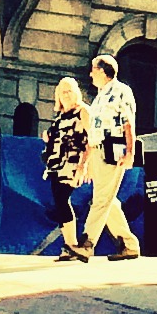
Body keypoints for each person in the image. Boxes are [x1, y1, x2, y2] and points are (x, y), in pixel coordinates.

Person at [83, 52, 140, 260]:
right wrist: (88, 161)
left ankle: (87, 244)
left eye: (93, 70)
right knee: (107, 200)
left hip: (112, 151)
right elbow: (94, 131)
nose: (90, 74)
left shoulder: (121, 91)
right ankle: (129, 245)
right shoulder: (100, 96)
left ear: (101, 71)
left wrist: (130, 152)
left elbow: (128, 123)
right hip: (99, 151)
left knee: (100, 200)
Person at [40, 76, 91, 260]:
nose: (66, 95)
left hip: (73, 163)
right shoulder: (61, 116)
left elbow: (92, 140)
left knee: (62, 199)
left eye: (69, 91)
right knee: (59, 202)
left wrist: (84, 165)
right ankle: (69, 245)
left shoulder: (83, 111)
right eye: (63, 92)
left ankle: (71, 245)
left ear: (76, 92)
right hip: (56, 164)